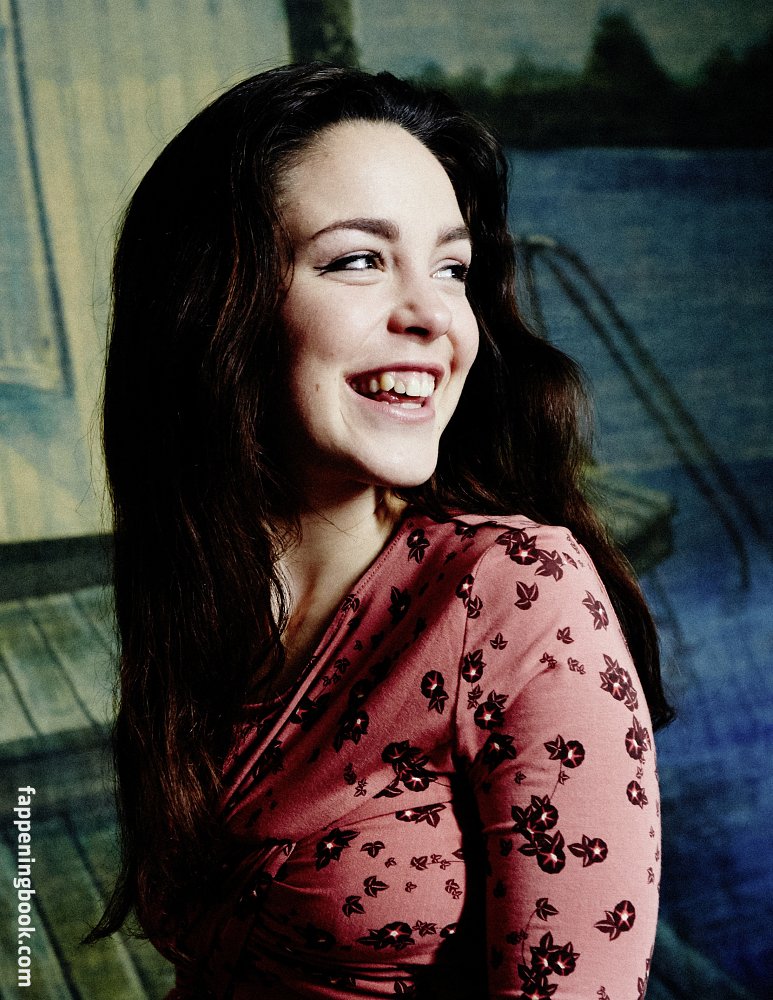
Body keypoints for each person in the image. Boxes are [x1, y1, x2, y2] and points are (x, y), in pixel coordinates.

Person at [91, 63, 672, 999]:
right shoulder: (201, 592)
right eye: (358, 260)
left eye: (452, 269)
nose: (434, 315)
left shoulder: (517, 590)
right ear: (211, 303)